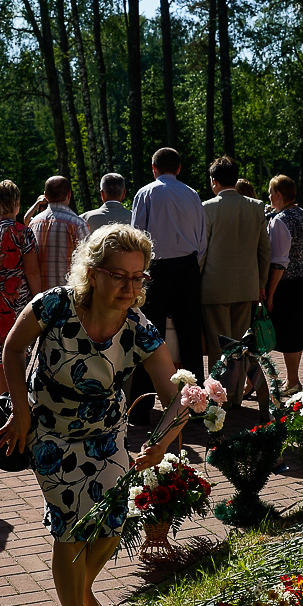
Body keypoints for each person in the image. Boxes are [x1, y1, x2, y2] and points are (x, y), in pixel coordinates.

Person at [0, 224, 182, 606]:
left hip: (106, 433)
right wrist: (21, 413)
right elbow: (11, 348)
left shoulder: (139, 328)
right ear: (93, 272)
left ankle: (81, 590)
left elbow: (176, 397)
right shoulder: (55, 306)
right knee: (72, 527)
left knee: (112, 526)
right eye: (119, 276)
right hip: (48, 430)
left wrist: (159, 444)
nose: (130, 287)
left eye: (138, 277)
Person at [129, 147, 207, 423]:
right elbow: (202, 240)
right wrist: (191, 266)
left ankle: (140, 409)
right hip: (187, 268)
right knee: (190, 340)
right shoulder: (192, 194)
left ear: (153, 168)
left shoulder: (146, 193)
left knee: (149, 337)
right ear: (179, 168)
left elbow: (136, 236)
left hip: (156, 271)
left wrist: (139, 273)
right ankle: (198, 406)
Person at [200, 156, 268, 395]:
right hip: (247, 286)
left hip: (214, 286)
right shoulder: (256, 206)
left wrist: (196, 279)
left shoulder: (208, 208)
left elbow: (202, 250)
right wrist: (260, 284)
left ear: (214, 181)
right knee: (240, 344)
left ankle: (219, 397)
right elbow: (264, 250)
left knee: (219, 346)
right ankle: (236, 395)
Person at [0, 180, 42, 395]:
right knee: (19, 351)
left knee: (0, 357)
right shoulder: (24, 233)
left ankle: (2, 403)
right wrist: (39, 300)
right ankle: (17, 403)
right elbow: (32, 271)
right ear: (17, 202)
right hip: (20, 301)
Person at [263, 176, 303, 394]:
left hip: (285, 282)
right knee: (296, 330)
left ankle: (293, 381)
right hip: (301, 279)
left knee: (288, 332)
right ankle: (293, 379)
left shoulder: (280, 220)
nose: (269, 197)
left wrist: (271, 293)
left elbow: (279, 261)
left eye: (271, 192)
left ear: (279, 195)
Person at [28, 176, 90, 291]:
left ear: (45, 196)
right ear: (69, 194)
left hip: (39, 297)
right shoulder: (77, 224)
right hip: (69, 294)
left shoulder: (34, 224)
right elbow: (88, 261)